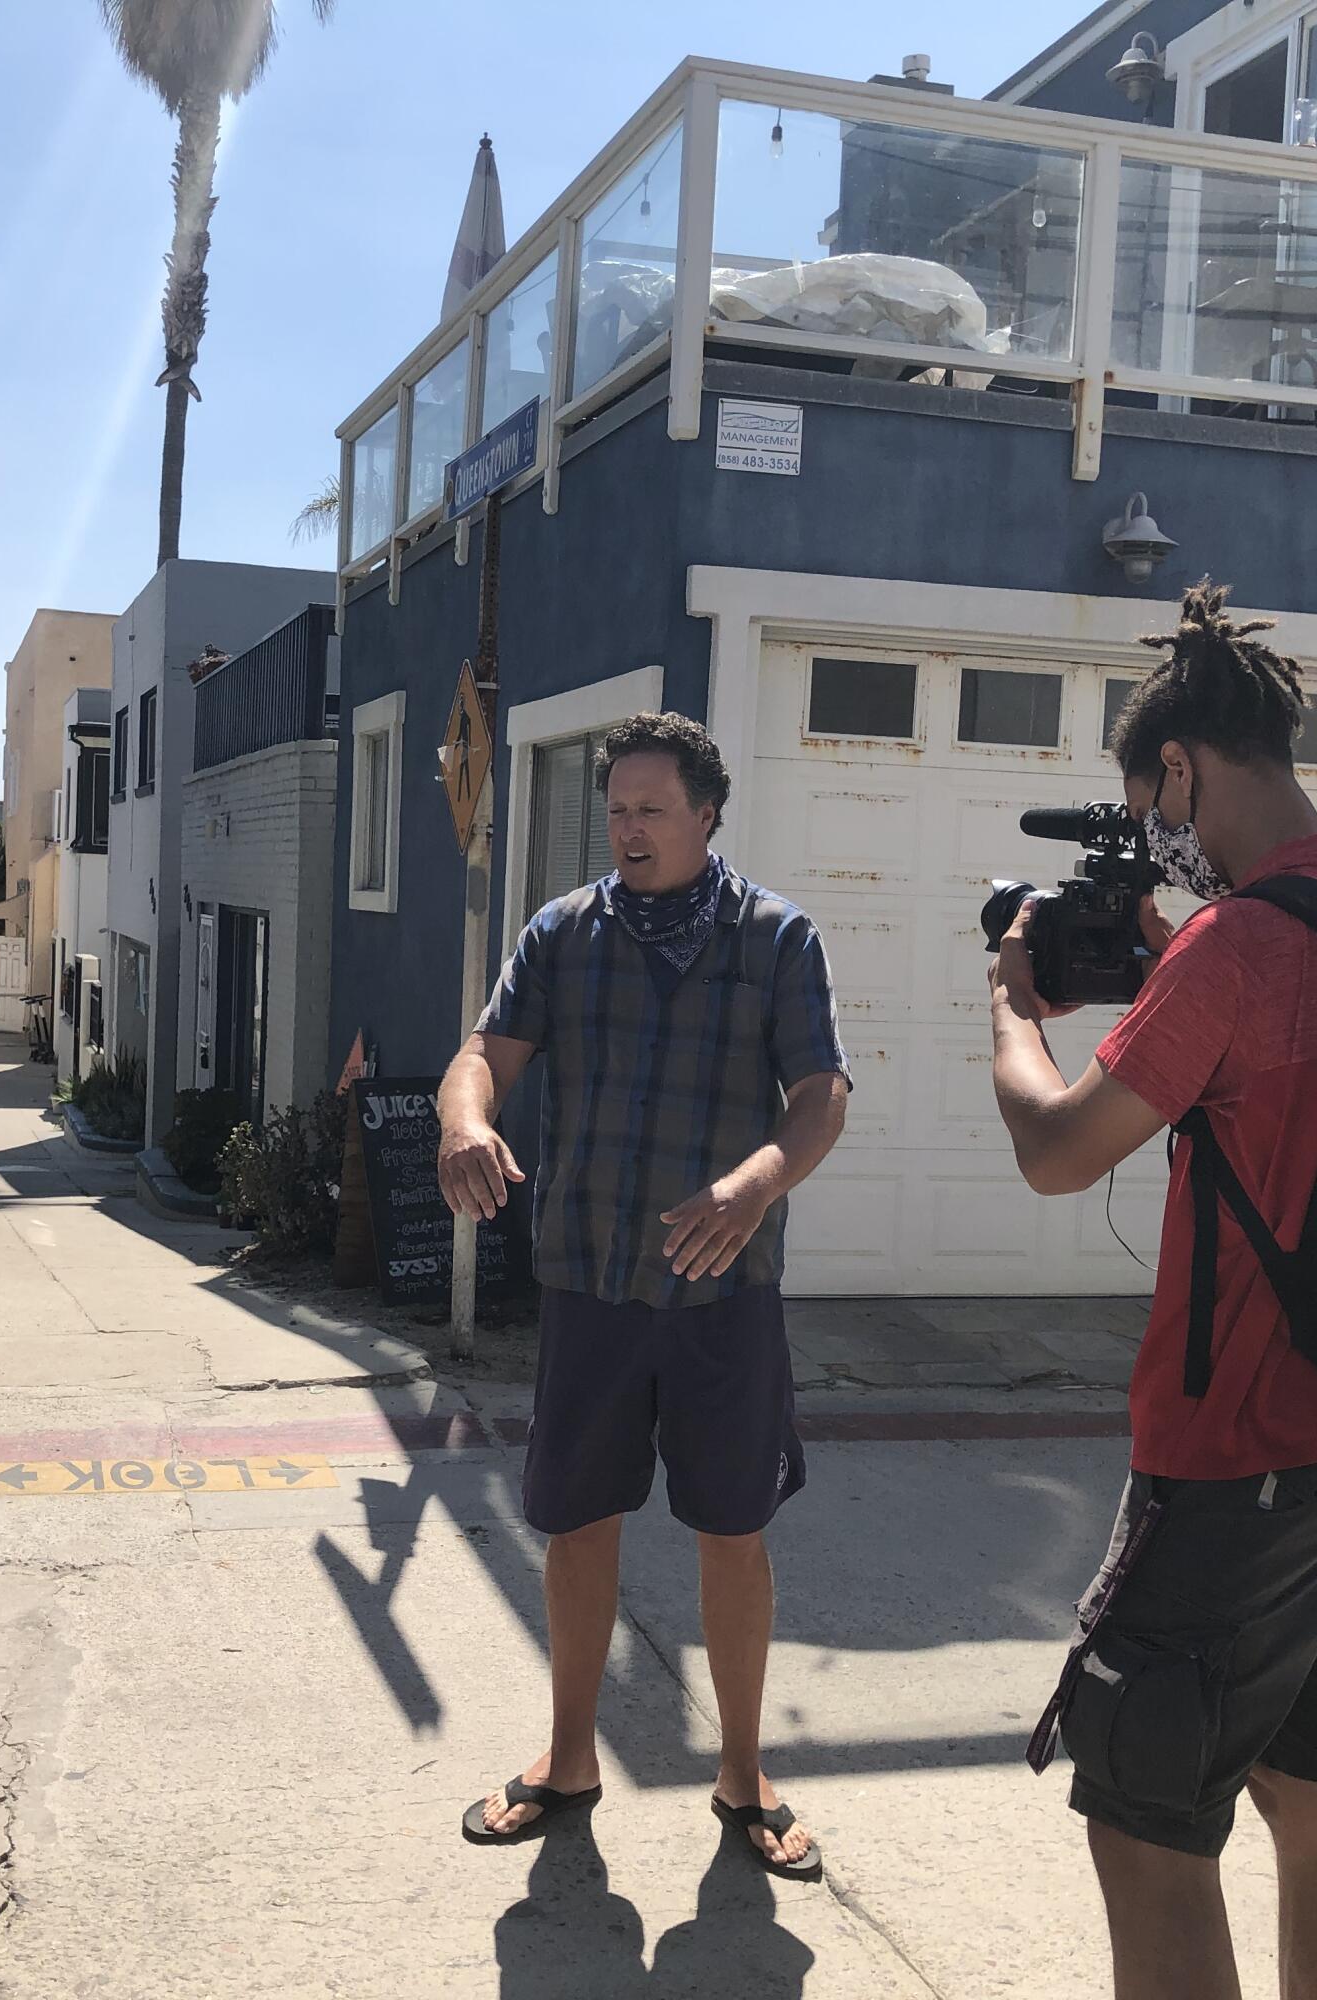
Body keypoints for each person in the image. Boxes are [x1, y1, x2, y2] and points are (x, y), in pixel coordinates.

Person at [987, 584, 1317, 2000]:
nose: (1155, 829)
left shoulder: (1236, 951)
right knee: (1315, 1799)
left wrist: (1010, 1018)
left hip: (1233, 1465)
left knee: (1147, 1827)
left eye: (1151, 799)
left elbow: (1059, 1151)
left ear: (1179, 769)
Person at [438, 711, 851, 1878]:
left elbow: (819, 1094)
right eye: (615, 807)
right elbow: (485, 1054)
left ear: (706, 813)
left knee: (733, 1530)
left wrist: (757, 1180)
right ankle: (568, 1759)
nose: (626, 827)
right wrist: (465, 1118)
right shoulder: (562, 935)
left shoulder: (776, 938)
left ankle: (741, 1774)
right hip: (593, 1283)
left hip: (726, 1290)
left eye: (650, 807)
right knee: (577, 1522)